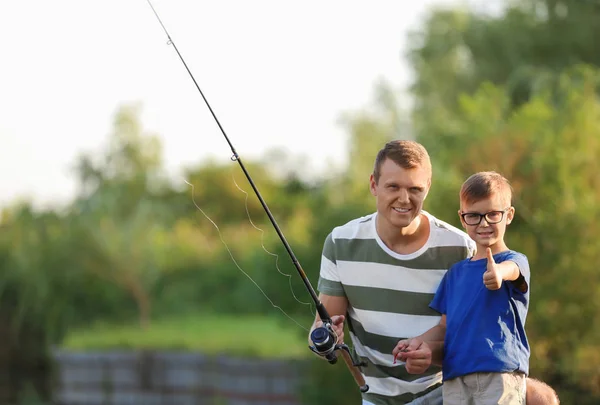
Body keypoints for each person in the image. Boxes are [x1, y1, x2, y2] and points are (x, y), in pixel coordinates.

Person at [309, 140, 559, 405]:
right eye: (393, 187)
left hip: (444, 390)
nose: (404, 198)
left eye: (414, 189)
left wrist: (429, 351)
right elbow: (322, 331)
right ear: (374, 185)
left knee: (541, 397)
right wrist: (325, 340)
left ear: (427, 188)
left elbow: (465, 333)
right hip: (377, 396)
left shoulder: (461, 247)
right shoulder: (341, 242)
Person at [394, 171, 529, 404]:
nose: (484, 223)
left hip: (498, 372)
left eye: (493, 215)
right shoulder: (454, 274)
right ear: (462, 218)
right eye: (474, 216)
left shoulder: (513, 260)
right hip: (455, 376)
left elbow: (513, 270)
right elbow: (444, 327)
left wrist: (498, 273)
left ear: (509, 215)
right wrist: (418, 341)